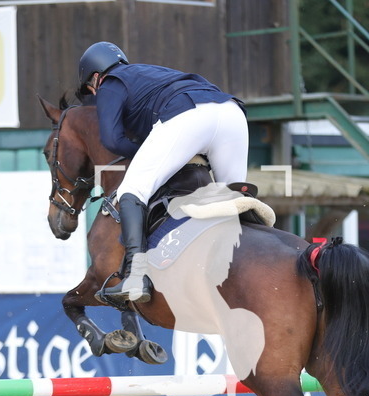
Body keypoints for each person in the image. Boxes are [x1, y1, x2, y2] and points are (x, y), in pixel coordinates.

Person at [76, 41, 249, 305]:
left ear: (96, 77)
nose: (94, 93)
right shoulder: (150, 72)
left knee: (131, 190)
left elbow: (111, 140)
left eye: (91, 88)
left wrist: (142, 148)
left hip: (189, 116)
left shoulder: (110, 82)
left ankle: (136, 275)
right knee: (235, 197)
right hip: (232, 113)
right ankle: (251, 258)